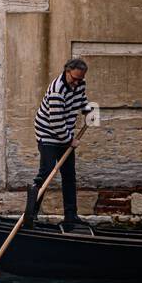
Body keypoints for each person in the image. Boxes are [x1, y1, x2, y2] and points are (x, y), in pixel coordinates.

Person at [26, 58, 94, 232]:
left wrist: (89, 110)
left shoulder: (79, 83)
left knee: (69, 175)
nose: (77, 83)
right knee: (46, 173)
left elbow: (81, 99)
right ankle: (31, 215)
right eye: (74, 79)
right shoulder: (57, 91)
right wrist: (69, 140)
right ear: (67, 71)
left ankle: (71, 216)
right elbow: (55, 122)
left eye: (80, 79)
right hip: (47, 134)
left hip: (65, 133)